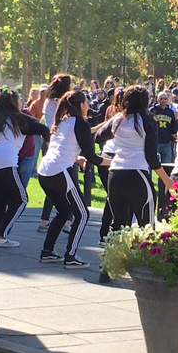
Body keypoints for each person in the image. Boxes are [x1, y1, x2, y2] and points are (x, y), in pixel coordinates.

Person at [95, 85, 174, 232]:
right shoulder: (148, 120)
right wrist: (166, 179)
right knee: (147, 225)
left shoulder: (117, 119)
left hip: (115, 174)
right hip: (137, 173)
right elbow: (151, 157)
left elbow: (98, 137)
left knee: (118, 224)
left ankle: (116, 254)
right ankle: (147, 253)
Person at [35, 90, 102, 266]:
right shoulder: (79, 122)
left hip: (45, 171)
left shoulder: (63, 121)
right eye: (86, 103)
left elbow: (64, 146)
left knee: (64, 211)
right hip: (59, 171)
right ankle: (70, 256)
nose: (88, 106)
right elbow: (93, 157)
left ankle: (47, 251)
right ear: (80, 105)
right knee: (83, 214)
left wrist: (77, 158)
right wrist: (116, 162)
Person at [0, 90, 50, 248]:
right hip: (3, 162)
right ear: (15, 103)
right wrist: (49, 148)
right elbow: (43, 129)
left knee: (0, 197)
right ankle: (0, 235)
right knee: (20, 199)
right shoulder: (19, 118)